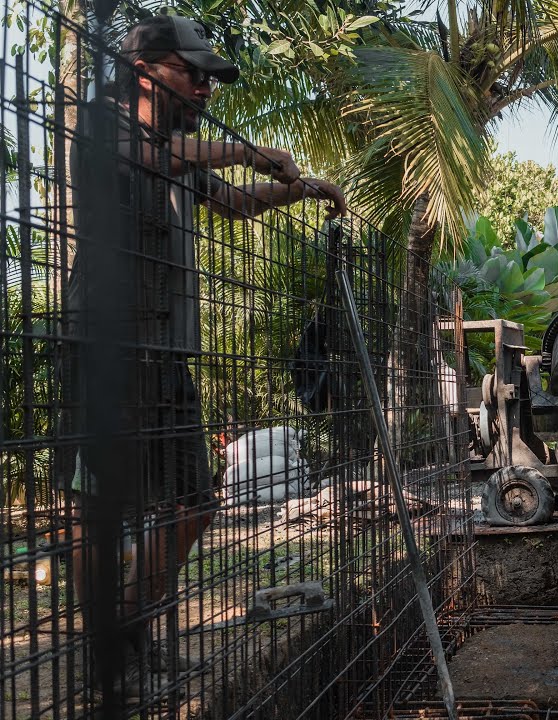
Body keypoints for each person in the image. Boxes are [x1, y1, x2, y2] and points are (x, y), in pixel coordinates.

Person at [59, 14, 347, 699]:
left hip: (167, 352)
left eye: (210, 80)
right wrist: (248, 150)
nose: (206, 91)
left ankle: (134, 621)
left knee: (194, 500)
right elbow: (146, 159)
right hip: (108, 346)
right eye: (195, 75)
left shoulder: (180, 152)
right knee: (96, 504)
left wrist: (303, 189)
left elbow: (235, 204)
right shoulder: (103, 124)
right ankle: (112, 650)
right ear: (145, 70)